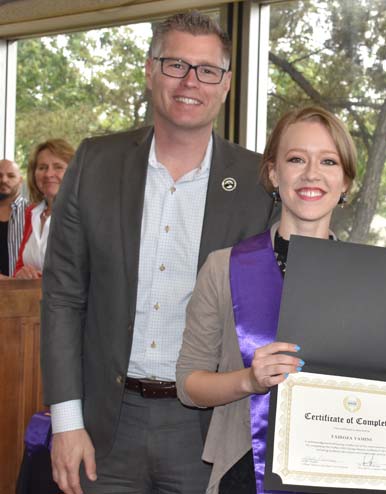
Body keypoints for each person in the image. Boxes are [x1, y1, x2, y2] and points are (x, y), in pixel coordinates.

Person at [41, 11, 275, 494]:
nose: (191, 81)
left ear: (227, 83)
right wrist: (66, 421)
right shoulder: (94, 163)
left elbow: (293, 290)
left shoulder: (258, 184)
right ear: (150, 70)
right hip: (104, 427)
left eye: (207, 69)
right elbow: (63, 298)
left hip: (209, 432)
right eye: (175, 65)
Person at [175, 106, 356, 494]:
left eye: (328, 161)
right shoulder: (224, 268)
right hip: (244, 470)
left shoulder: (371, 280)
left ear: (345, 182)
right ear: (274, 173)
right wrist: (249, 380)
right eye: (296, 159)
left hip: (340, 470)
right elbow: (189, 385)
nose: (311, 173)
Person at [14, 139, 74, 279]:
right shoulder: (32, 213)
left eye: (58, 167)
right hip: (31, 300)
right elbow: (21, 265)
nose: (48, 174)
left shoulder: (85, 214)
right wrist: (21, 274)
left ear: (74, 172)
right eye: (42, 167)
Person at [0, 158, 27, 278]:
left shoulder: (33, 212)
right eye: (0, 175)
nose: (4, 180)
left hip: (19, 292)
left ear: (20, 181)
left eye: (11, 176)